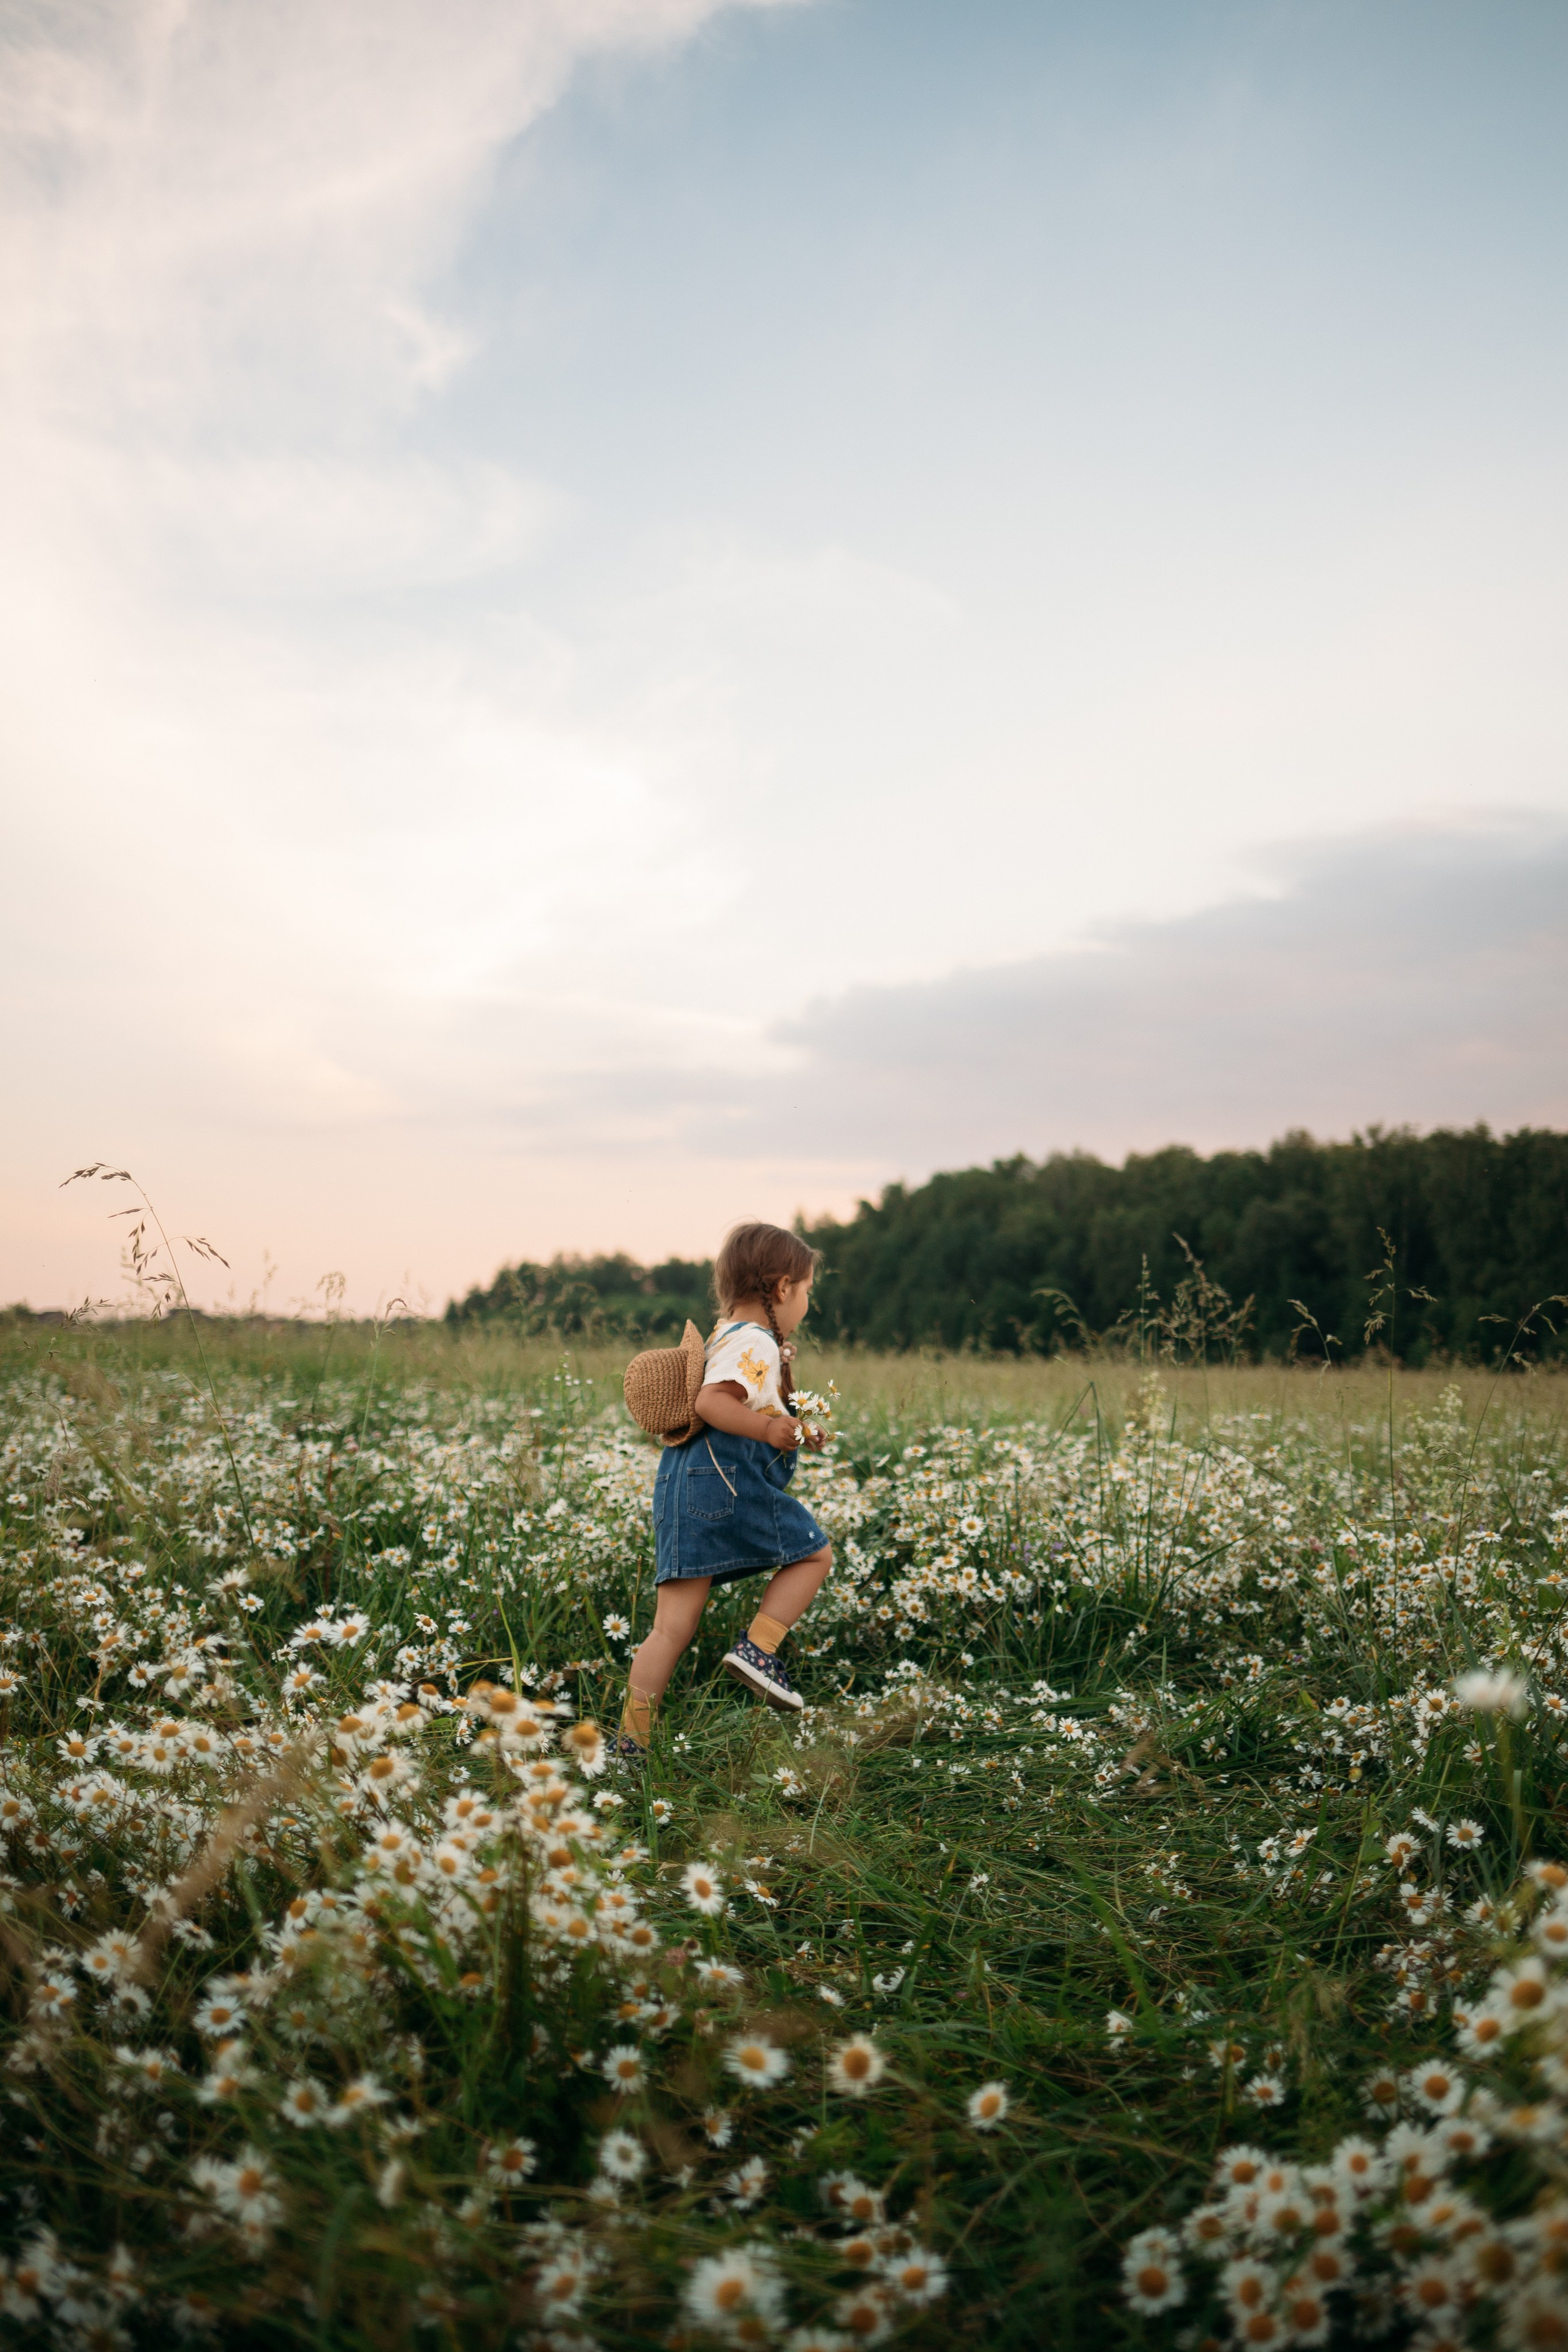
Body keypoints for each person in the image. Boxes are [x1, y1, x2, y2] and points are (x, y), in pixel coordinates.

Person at [619, 1221, 832, 1757]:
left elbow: (742, 1406)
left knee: (670, 1629)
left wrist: (795, 1429)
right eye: (807, 1290)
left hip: (682, 1480)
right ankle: (759, 1650)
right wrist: (767, 1430)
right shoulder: (756, 1341)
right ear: (783, 1288)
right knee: (813, 1556)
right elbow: (714, 1404)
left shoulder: (725, 1337)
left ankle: (630, 1744)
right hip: (723, 1483)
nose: (807, 1301)